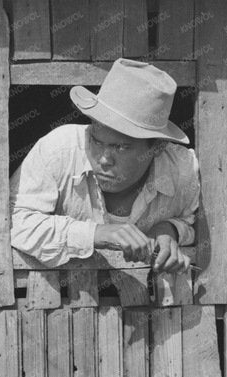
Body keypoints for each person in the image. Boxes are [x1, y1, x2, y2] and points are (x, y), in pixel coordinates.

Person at [11, 58, 198, 275]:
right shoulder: (58, 150)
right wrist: (95, 234)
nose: (104, 159)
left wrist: (169, 230)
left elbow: (195, 224)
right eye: (97, 141)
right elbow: (12, 221)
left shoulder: (184, 170)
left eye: (121, 147)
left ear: (157, 147)